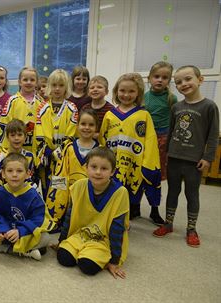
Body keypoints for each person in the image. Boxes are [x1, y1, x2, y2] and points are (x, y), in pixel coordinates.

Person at [153, 65, 219, 247]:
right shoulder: (176, 107)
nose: (184, 84)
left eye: (188, 79)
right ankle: (168, 223)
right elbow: (171, 131)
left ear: (200, 79)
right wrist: (165, 154)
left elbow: (213, 136)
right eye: (179, 82)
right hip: (174, 157)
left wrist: (207, 158)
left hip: (194, 161)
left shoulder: (209, 106)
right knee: (172, 192)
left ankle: (191, 228)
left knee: (192, 194)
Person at [98, 73, 163, 224]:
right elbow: (103, 139)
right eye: (122, 91)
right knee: (112, 189)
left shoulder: (143, 115)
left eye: (131, 91)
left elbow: (151, 141)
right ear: (116, 91)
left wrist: (149, 163)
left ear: (138, 93)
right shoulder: (110, 115)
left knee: (135, 188)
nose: (126, 95)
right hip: (114, 161)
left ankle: (134, 208)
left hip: (134, 161)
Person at [57, 147, 129, 279]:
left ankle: (91, 255)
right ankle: (80, 250)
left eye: (104, 168)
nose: (98, 172)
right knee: (64, 259)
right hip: (80, 235)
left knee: (87, 267)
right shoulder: (79, 186)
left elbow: (117, 228)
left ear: (112, 171)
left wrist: (114, 261)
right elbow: (69, 217)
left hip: (102, 241)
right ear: (86, 168)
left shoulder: (120, 193)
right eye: (93, 167)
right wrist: (61, 240)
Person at [0, 152, 52, 261]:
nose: (14, 175)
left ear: (28, 174)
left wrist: (20, 231)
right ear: (3, 174)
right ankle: (19, 250)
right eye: (10, 171)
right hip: (5, 231)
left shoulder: (33, 195)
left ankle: (11, 248)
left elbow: (38, 219)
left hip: (23, 233)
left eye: (19, 171)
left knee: (46, 237)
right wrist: (1, 230)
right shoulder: (1, 192)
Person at [45, 109, 100, 227]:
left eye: (91, 125)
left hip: (89, 196)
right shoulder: (68, 147)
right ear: (77, 125)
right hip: (69, 195)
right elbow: (60, 173)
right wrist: (55, 207)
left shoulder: (99, 150)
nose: (86, 127)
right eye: (83, 124)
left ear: (96, 128)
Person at [35, 69, 78, 198]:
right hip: (46, 156)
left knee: (59, 189)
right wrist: (46, 150)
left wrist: (59, 152)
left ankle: (58, 215)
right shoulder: (42, 107)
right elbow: (39, 130)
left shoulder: (72, 108)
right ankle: (47, 213)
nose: (57, 89)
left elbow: (72, 133)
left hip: (63, 157)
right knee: (46, 187)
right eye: (54, 85)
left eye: (61, 85)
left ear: (67, 87)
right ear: (49, 87)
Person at [0, 66, 43, 156]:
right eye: (25, 79)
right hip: (15, 151)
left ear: (37, 82)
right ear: (19, 82)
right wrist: (1, 151)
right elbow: (3, 125)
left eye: (32, 80)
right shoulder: (12, 101)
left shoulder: (41, 103)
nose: (28, 82)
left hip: (35, 152)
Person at [144, 62, 177, 180]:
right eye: (156, 77)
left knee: (161, 159)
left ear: (169, 80)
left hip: (163, 135)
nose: (160, 80)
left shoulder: (172, 98)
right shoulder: (144, 97)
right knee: (147, 158)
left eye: (164, 78)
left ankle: (159, 178)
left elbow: (175, 118)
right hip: (147, 134)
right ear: (149, 78)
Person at [0, 118, 35, 186]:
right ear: (7, 137)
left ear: (25, 137)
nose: (16, 138)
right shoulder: (1, 156)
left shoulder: (30, 156)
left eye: (19, 135)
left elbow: (30, 179)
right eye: (12, 135)